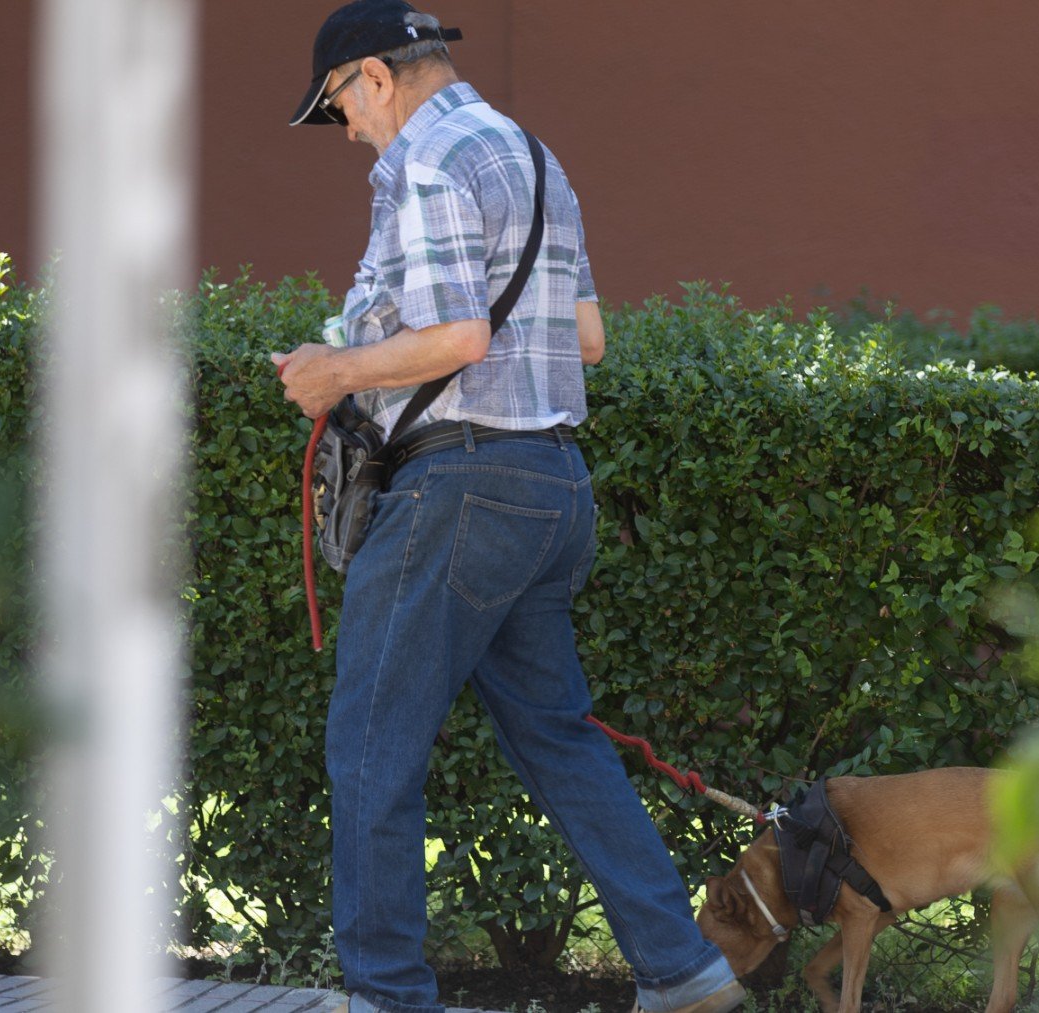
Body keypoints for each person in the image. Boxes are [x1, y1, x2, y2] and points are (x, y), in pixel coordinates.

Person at [271, 4, 746, 1012]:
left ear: (375, 75)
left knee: (369, 745)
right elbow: (588, 336)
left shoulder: (428, 162)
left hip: (460, 488)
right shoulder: (535, 158)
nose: (346, 131)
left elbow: (459, 339)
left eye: (337, 106)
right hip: (549, 485)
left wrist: (335, 371)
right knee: (559, 736)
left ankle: (387, 997)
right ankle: (683, 966)